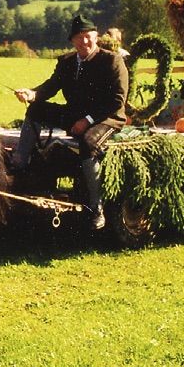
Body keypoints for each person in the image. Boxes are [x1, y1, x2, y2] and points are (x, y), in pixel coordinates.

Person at [11, 15, 129, 229]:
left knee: (87, 142)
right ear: (72, 40)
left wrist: (87, 120)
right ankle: (19, 164)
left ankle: (96, 207)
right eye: (79, 38)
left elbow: (117, 101)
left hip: (107, 117)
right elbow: (51, 87)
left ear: (96, 37)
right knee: (36, 110)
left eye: (88, 37)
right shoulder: (66, 62)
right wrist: (32, 94)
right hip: (75, 114)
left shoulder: (112, 61)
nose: (84, 42)